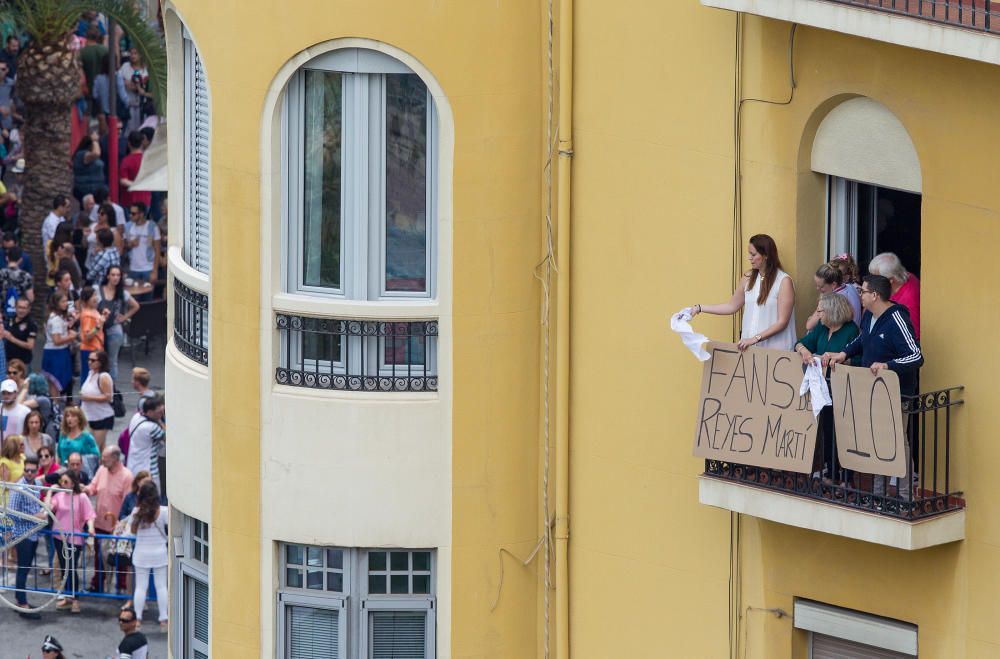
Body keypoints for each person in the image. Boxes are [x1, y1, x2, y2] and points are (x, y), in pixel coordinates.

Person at [824, 274, 923, 502]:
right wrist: (843, 353)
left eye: (863, 292)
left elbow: (915, 356)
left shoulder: (897, 318)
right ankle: (878, 494)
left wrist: (888, 365)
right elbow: (862, 340)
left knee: (897, 443)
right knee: (875, 440)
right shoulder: (869, 315)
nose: (859, 295)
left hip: (895, 393)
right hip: (871, 391)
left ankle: (904, 496)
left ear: (875, 295)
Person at [689, 233, 797, 351]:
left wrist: (755, 338)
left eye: (753, 254)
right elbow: (731, 306)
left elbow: (783, 322)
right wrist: (699, 308)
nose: (749, 258)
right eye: (749, 253)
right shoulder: (748, 278)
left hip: (776, 353)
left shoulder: (783, 281)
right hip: (749, 351)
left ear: (766, 255)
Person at [45, 468, 95, 613]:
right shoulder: (59, 495)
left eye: (65, 481)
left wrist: (91, 528)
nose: (62, 484)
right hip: (59, 537)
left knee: (71, 568)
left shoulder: (82, 497)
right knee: (63, 568)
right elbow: (48, 508)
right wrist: (49, 491)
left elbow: (89, 515)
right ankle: (68, 597)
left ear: (73, 483)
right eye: (61, 481)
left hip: (75, 538)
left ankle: (75, 599)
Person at [84, 445, 132, 593]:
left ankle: (122, 587)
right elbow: (92, 487)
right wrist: (84, 489)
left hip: (117, 527)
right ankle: (98, 584)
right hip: (100, 522)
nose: (102, 459)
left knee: (119, 558)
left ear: (116, 458)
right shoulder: (101, 470)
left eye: (105, 457)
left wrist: (120, 525)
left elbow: (128, 504)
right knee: (99, 558)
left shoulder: (127, 476)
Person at [129, 480, 168, 629]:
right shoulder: (163, 511)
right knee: (161, 587)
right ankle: (163, 618)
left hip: (141, 554)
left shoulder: (136, 512)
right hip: (159, 553)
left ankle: (138, 618)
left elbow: (132, 531)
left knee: (140, 587)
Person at [8, 456, 43, 618]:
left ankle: (20, 600)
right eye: (26, 470)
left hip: (34, 533)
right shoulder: (19, 488)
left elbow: (37, 504)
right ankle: (22, 603)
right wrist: (36, 516)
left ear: (37, 470)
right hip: (23, 535)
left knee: (26, 569)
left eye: (32, 471)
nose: (29, 473)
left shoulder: (38, 484)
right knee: (22, 569)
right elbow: (12, 513)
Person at [97, 266, 139, 381]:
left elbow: (135, 306)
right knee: (98, 358)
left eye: (118, 275)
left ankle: (111, 387)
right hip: (98, 329)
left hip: (114, 329)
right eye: (113, 275)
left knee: (112, 360)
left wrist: (124, 317)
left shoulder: (122, 293)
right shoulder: (98, 290)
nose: (115, 277)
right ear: (108, 276)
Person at [868, 252, 921, 340]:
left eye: (875, 279)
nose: (871, 282)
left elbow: (913, 337)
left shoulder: (909, 301)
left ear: (891, 280)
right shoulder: (900, 275)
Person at [41, 291, 77, 399]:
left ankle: (55, 404)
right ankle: (55, 405)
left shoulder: (55, 316)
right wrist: (71, 337)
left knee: (54, 383)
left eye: (66, 301)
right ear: (56, 303)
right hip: (56, 353)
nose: (66, 303)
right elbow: (56, 340)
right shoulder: (56, 319)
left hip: (55, 351)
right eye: (63, 301)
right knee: (55, 382)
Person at [126, 396, 165, 494]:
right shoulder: (151, 427)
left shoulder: (136, 418)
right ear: (150, 412)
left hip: (133, 466)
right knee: (153, 497)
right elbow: (167, 438)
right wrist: (160, 421)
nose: (162, 414)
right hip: (148, 470)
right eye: (159, 412)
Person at [80, 350, 115, 450]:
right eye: (88, 359)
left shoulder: (104, 377)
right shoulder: (91, 373)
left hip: (102, 418)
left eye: (93, 360)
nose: (89, 362)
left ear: (100, 362)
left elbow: (108, 397)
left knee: (93, 449)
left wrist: (88, 398)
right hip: (88, 417)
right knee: (101, 448)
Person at [124, 201, 161, 288]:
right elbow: (124, 246)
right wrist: (130, 245)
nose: (130, 215)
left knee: (148, 297)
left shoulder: (152, 227)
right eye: (130, 213)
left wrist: (155, 271)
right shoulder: (128, 226)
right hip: (132, 268)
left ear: (141, 214)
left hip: (148, 269)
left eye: (133, 213)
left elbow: (157, 250)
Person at [78, 287, 109, 384]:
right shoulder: (87, 315)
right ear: (86, 300)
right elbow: (87, 336)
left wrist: (103, 317)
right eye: (92, 296)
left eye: (95, 295)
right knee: (89, 376)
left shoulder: (93, 311)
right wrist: (99, 325)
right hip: (90, 350)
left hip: (96, 348)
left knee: (95, 375)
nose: (95, 298)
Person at [119, 131, 151, 209]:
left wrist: (136, 184)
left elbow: (123, 180)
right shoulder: (148, 159)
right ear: (142, 143)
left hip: (129, 200)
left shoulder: (126, 161)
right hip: (145, 199)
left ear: (129, 143)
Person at [71, 132, 104, 203]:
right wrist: (95, 140)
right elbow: (96, 153)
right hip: (87, 191)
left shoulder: (87, 156)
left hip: (96, 190)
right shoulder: (82, 155)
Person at [3, 296, 36, 365]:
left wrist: (12, 339)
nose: (21, 310)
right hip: (8, 359)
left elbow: (30, 345)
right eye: (19, 307)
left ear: (29, 309)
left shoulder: (31, 324)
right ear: (15, 307)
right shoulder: (10, 319)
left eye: (24, 308)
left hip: (22, 362)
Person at [0, 246, 33, 314]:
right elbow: (30, 298)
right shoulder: (26, 276)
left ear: (7, 258)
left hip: (2, 312)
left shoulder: (1, 273)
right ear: (20, 260)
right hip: (19, 312)